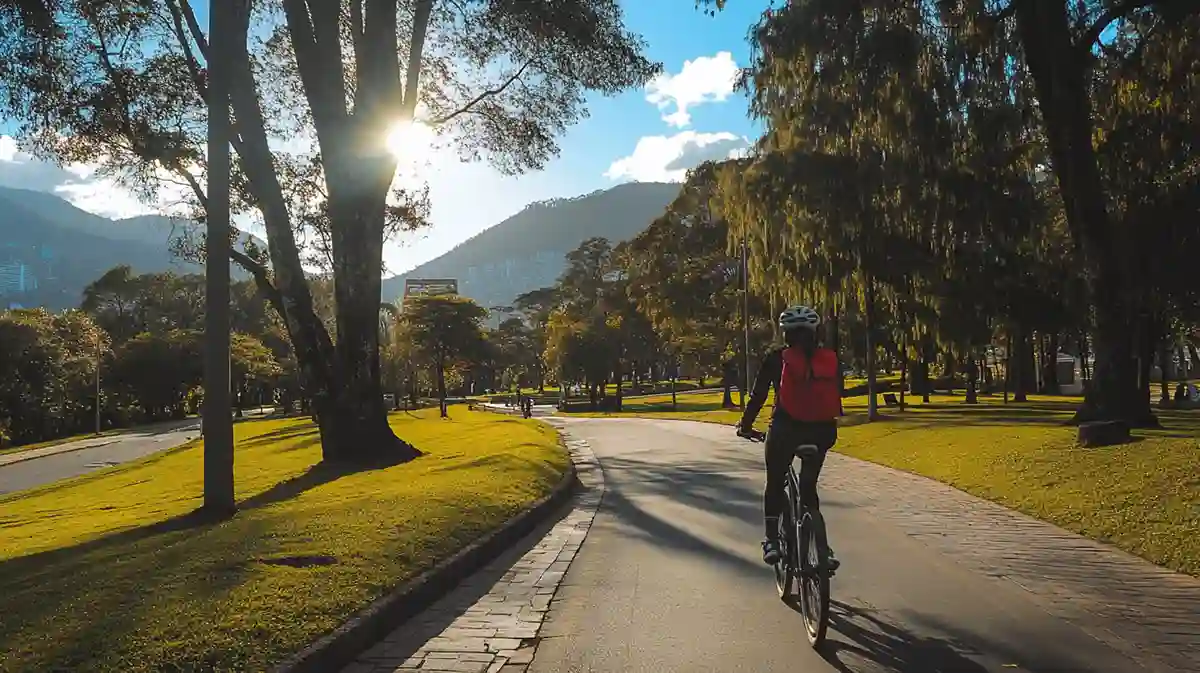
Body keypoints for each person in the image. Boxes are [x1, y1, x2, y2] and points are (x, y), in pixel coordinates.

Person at [736, 305, 842, 570]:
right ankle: (823, 549)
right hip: (823, 431)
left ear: (785, 333)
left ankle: (772, 540)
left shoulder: (776, 357)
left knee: (774, 482)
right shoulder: (828, 358)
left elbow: (758, 396)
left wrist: (745, 426)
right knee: (808, 488)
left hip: (786, 431)